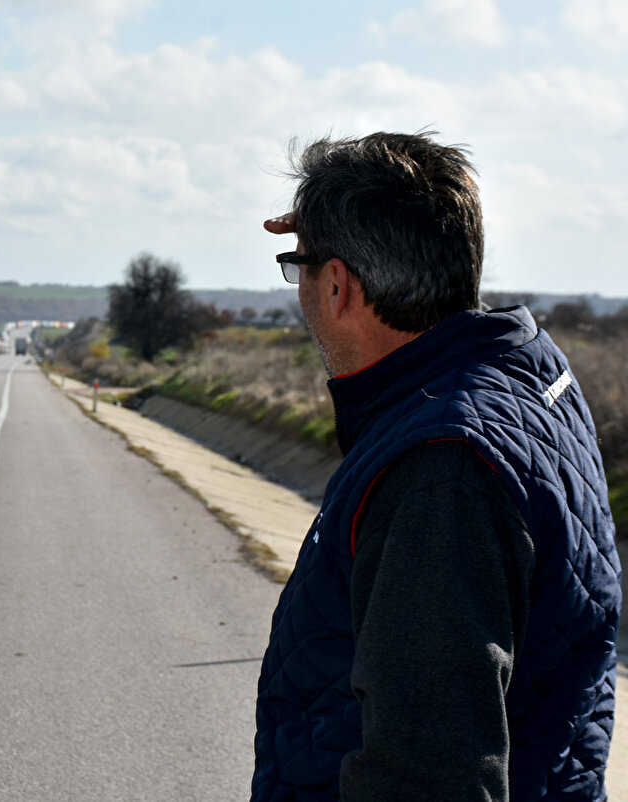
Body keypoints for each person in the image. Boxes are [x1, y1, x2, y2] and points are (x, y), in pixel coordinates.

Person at [251, 131, 621, 801]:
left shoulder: (441, 468)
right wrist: (342, 226)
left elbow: (427, 774)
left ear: (337, 285)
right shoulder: (527, 374)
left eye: (298, 268)